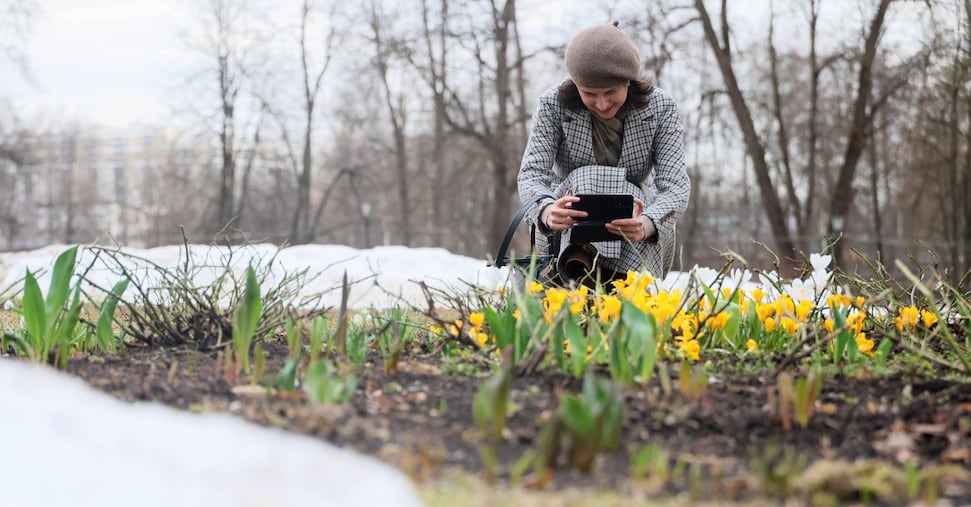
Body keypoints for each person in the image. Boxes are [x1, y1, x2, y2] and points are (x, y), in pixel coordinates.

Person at [517, 21, 691, 287]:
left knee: (634, 200)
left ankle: (625, 290)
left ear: (629, 82)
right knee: (587, 176)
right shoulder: (552, 106)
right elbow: (531, 174)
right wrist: (547, 211)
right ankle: (574, 277)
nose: (602, 104)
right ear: (575, 85)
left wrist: (647, 223)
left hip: (634, 214)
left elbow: (676, 186)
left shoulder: (661, 108)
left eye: (611, 92)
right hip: (569, 216)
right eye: (589, 94)